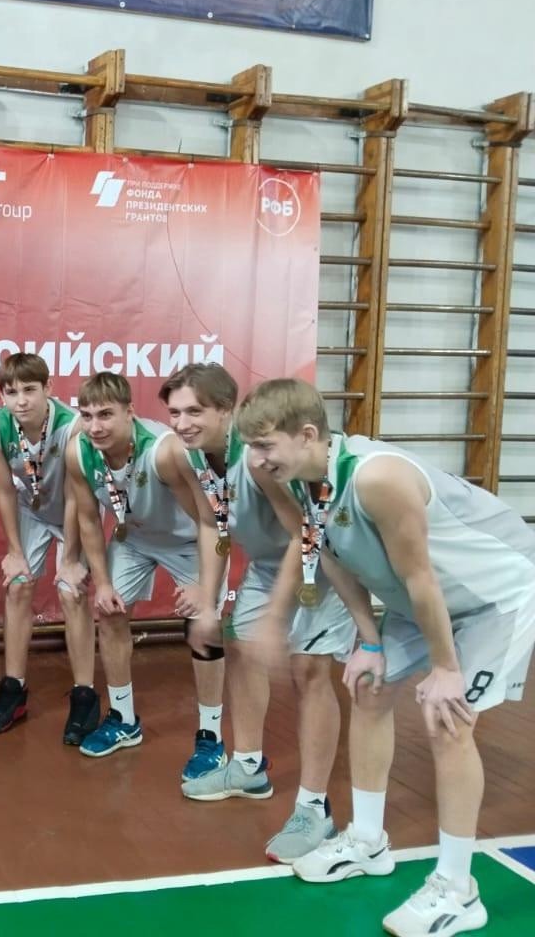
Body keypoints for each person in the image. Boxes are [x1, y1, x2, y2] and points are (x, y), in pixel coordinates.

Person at [238, 377, 535, 937]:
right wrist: (370, 641)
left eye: (264, 445)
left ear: (307, 434)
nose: (255, 459)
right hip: (421, 600)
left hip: (493, 597)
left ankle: (457, 889)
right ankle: (368, 841)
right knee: (368, 688)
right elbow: (331, 556)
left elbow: (421, 578)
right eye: (251, 446)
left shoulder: (378, 479)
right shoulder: (300, 478)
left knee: (448, 719)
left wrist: (446, 669)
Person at [162, 364, 353, 862]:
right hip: (270, 566)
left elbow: (303, 532)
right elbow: (211, 524)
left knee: (310, 671)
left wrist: (275, 618)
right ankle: (247, 768)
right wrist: (208, 601)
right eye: (174, 412)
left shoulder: (254, 459)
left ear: (227, 411)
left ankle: (314, 808)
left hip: (321, 561)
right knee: (243, 652)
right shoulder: (190, 454)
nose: (182, 422)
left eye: (194, 411)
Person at [64, 372, 227, 780]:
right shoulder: (79, 452)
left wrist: (205, 589)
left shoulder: (164, 452)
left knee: (203, 627)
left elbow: (212, 521)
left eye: (106, 414)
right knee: (110, 612)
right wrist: (103, 583)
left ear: (130, 412)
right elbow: (88, 519)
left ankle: (211, 735)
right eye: (87, 416)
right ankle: (123, 718)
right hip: (134, 538)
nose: (95, 426)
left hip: (189, 541)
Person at [0, 353, 98, 742]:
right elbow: (4, 488)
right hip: (32, 509)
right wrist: (14, 551)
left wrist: (71, 558)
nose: (21, 400)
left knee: (71, 592)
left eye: (30, 390)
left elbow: (77, 495)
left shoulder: (73, 427)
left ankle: (85, 695)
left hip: (74, 512)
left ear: (49, 388)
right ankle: (13, 688)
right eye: (11, 392)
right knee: (17, 585)